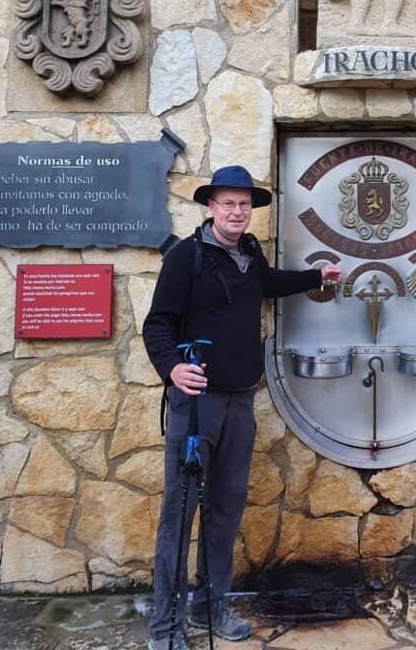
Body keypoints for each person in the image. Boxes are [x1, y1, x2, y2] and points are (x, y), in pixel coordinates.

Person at [143, 164, 342, 650]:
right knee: (180, 514)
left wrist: (316, 276)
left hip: (239, 403)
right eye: (227, 203)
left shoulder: (250, 254)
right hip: (195, 407)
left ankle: (212, 607)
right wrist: (172, 369)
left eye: (243, 204)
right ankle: (164, 630)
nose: (236, 211)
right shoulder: (185, 258)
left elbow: (267, 284)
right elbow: (157, 326)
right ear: (210, 207)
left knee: (225, 510)